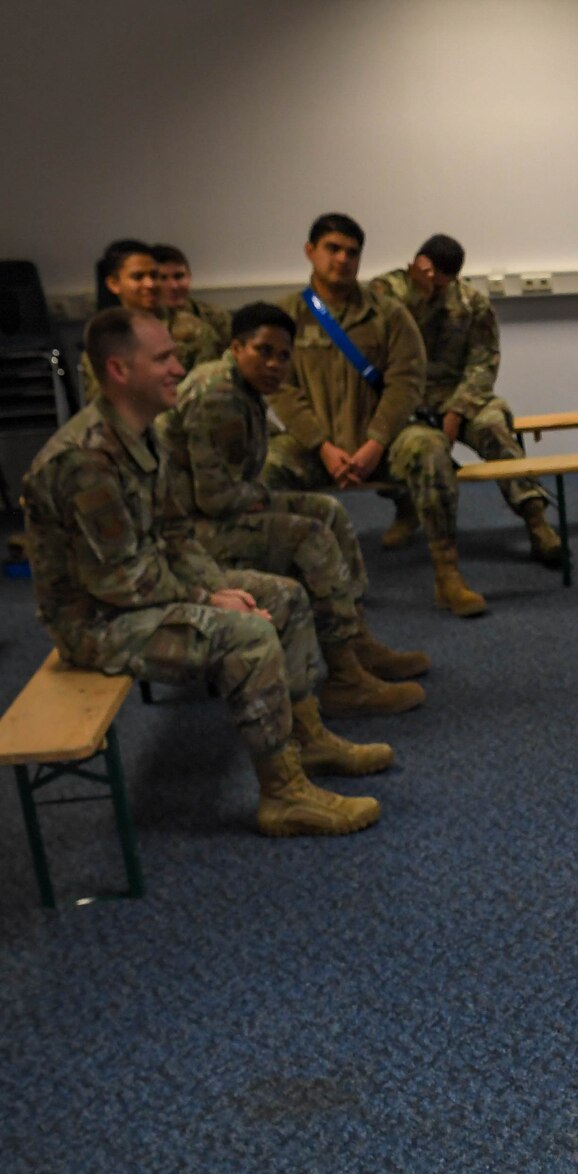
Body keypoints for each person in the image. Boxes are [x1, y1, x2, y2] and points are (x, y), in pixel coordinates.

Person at [21, 309, 385, 837]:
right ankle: (283, 794)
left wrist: (217, 586)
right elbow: (120, 582)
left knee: (285, 598)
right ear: (120, 371)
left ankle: (308, 738)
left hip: (139, 592)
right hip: (95, 622)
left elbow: (175, 534)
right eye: (163, 358)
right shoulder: (84, 460)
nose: (177, 367)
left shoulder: (142, 434)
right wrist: (209, 600)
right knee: (249, 637)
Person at [158, 301, 428, 715]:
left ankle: (357, 643)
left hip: (209, 515)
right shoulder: (218, 395)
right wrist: (266, 500)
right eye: (263, 351)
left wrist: (261, 498)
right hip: (184, 535)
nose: (275, 365)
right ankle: (345, 680)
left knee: (327, 511)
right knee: (309, 535)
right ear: (236, 347)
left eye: (284, 356)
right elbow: (214, 499)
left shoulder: (242, 387)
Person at [262, 214, 485, 619]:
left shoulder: (388, 314)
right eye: (333, 248)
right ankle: (283, 587)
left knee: (430, 448)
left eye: (352, 252)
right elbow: (281, 389)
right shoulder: (284, 317)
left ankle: (448, 576)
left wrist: (376, 442)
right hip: (313, 446)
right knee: (263, 469)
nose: (343, 259)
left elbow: (406, 381)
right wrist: (322, 445)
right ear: (310, 251)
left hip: (380, 444)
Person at [371, 234, 564, 569]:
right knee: (381, 437)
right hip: (402, 397)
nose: (435, 283)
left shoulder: (471, 303)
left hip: (458, 394)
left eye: (444, 278)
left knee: (494, 428)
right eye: (429, 272)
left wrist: (458, 409)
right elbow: (372, 339)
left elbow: (483, 362)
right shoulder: (386, 292)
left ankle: (535, 520)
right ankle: (406, 506)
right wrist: (419, 294)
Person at [83, 241, 159, 401]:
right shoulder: (103, 339)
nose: (150, 284)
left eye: (153, 275)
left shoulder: (193, 329)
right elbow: (102, 401)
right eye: (138, 277)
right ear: (114, 284)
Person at [152, 244, 231, 372]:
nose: (173, 286)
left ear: (189, 277)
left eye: (179, 276)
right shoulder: (147, 322)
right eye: (163, 278)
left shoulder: (217, 317)